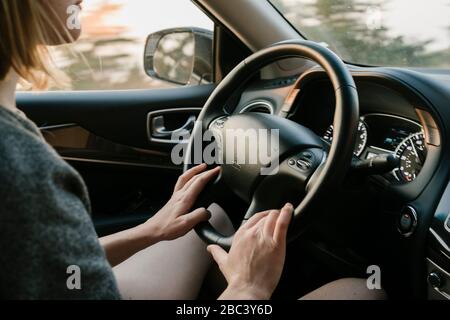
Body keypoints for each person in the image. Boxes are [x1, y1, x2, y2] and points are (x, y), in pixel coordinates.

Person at [0, 0, 385, 300]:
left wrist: (150, 231)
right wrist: (249, 289)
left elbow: (53, 270)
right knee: (362, 291)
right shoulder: (20, 167)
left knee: (211, 216)